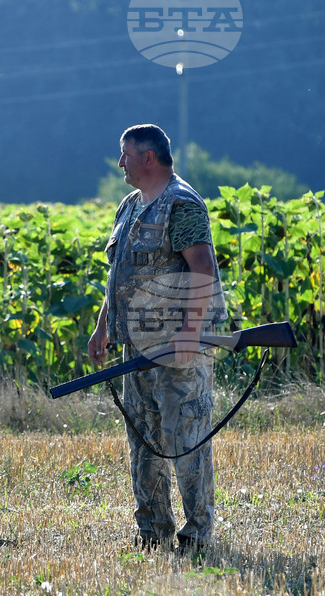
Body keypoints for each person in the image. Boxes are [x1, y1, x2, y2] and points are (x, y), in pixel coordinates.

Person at [87, 124, 227, 554]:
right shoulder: (129, 206)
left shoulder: (181, 204)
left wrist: (189, 333)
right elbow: (121, 275)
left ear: (149, 157)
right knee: (144, 441)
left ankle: (197, 534)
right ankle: (152, 530)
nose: (120, 162)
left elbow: (202, 267)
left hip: (178, 351)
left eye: (125, 154)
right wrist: (103, 324)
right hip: (138, 351)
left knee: (187, 441)